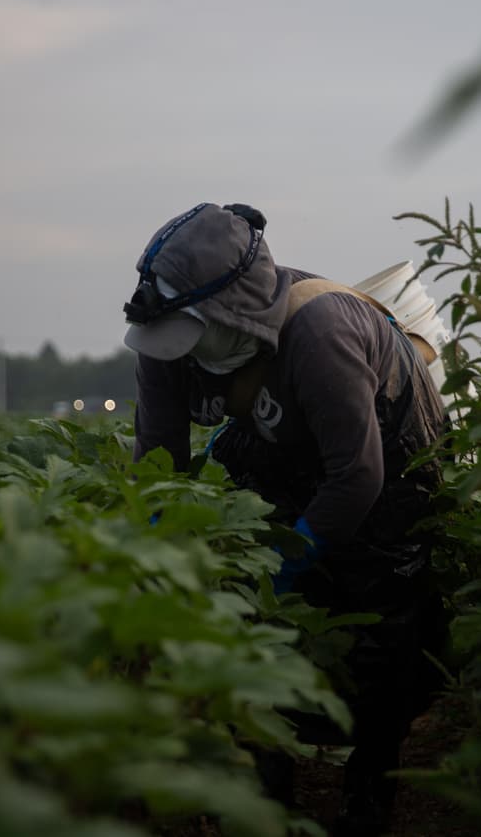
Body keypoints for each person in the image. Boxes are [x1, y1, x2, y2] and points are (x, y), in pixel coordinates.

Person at [123, 201, 450, 835]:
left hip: (387, 452)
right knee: (244, 599)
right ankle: (266, 768)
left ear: (232, 312)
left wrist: (293, 553)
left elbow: (357, 476)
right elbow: (159, 460)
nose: (179, 353)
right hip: (282, 438)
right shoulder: (162, 337)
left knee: (383, 612)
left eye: (194, 337)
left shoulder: (320, 333)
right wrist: (154, 543)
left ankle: (371, 778)